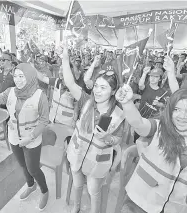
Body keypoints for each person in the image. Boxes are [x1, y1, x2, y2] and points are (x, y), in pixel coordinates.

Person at [115, 84, 187, 213]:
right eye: (176, 109)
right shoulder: (159, 129)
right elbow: (139, 123)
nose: (182, 116)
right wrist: (127, 104)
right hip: (139, 204)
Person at [62, 46, 125, 213]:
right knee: (77, 184)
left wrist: (107, 138)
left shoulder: (117, 113)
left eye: (103, 88)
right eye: (96, 86)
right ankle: (76, 207)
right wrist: (64, 59)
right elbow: (69, 82)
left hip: (97, 162)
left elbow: (117, 140)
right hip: (77, 154)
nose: (97, 91)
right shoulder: (86, 101)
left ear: (113, 92)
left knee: (93, 191)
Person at [0, 63, 50, 210]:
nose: (17, 80)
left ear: (30, 76)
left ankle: (44, 191)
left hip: (32, 139)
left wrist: (30, 137)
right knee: (23, 165)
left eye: (21, 76)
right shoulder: (10, 92)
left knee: (33, 168)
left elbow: (44, 120)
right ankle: (31, 185)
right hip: (14, 136)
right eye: (15, 76)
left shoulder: (40, 95)